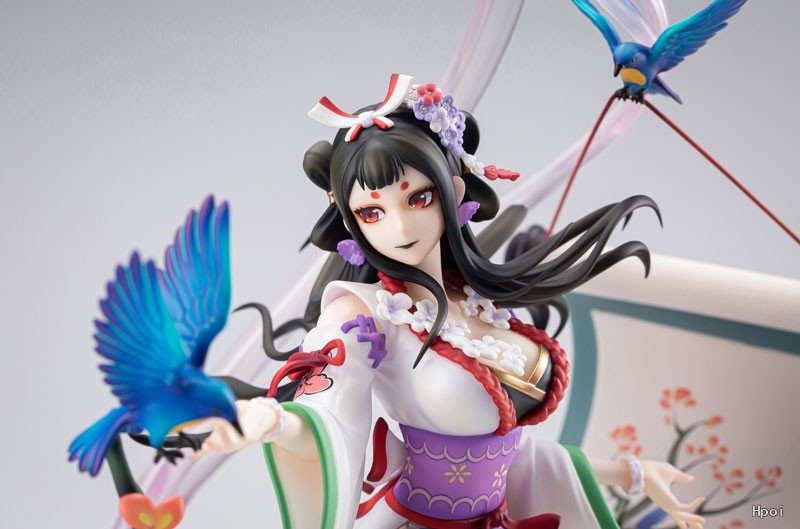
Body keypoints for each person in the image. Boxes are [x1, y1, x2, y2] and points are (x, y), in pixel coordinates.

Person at [192, 74, 705, 529]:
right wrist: (275, 422)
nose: (400, 228)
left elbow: (513, 456)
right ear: (349, 222)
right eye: (371, 212)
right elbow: (325, 415)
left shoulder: (478, 299)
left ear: (453, 190)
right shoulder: (364, 314)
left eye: (418, 198)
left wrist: (634, 473)